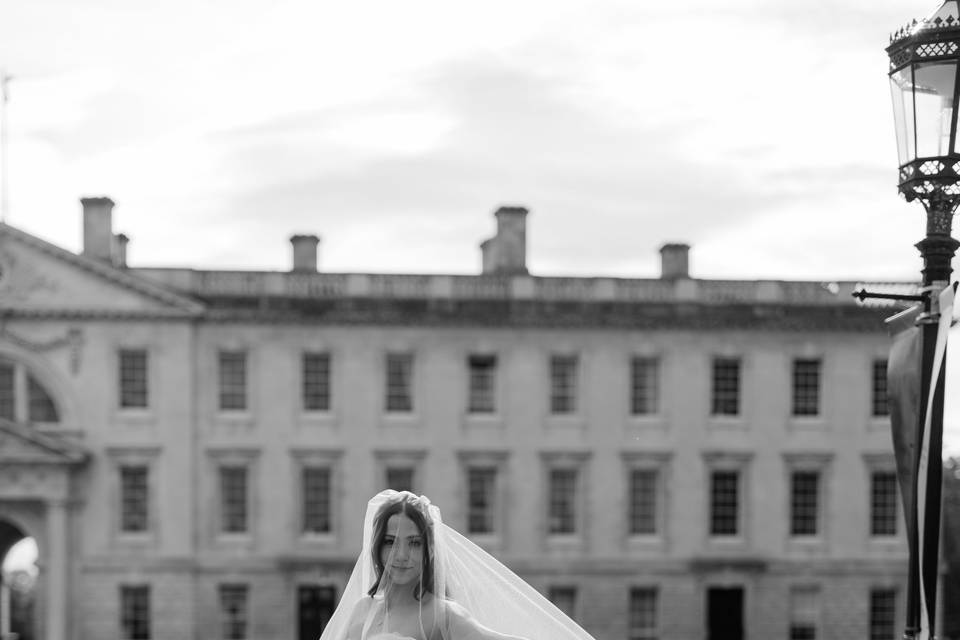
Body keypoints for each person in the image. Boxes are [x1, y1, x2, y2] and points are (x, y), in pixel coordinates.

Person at [319, 491, 596, 640]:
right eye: (391, 542)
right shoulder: (361, 611)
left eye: (414, 543)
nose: (400, 555)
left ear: (428, 550)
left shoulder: (443, 614)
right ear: (377, 547)